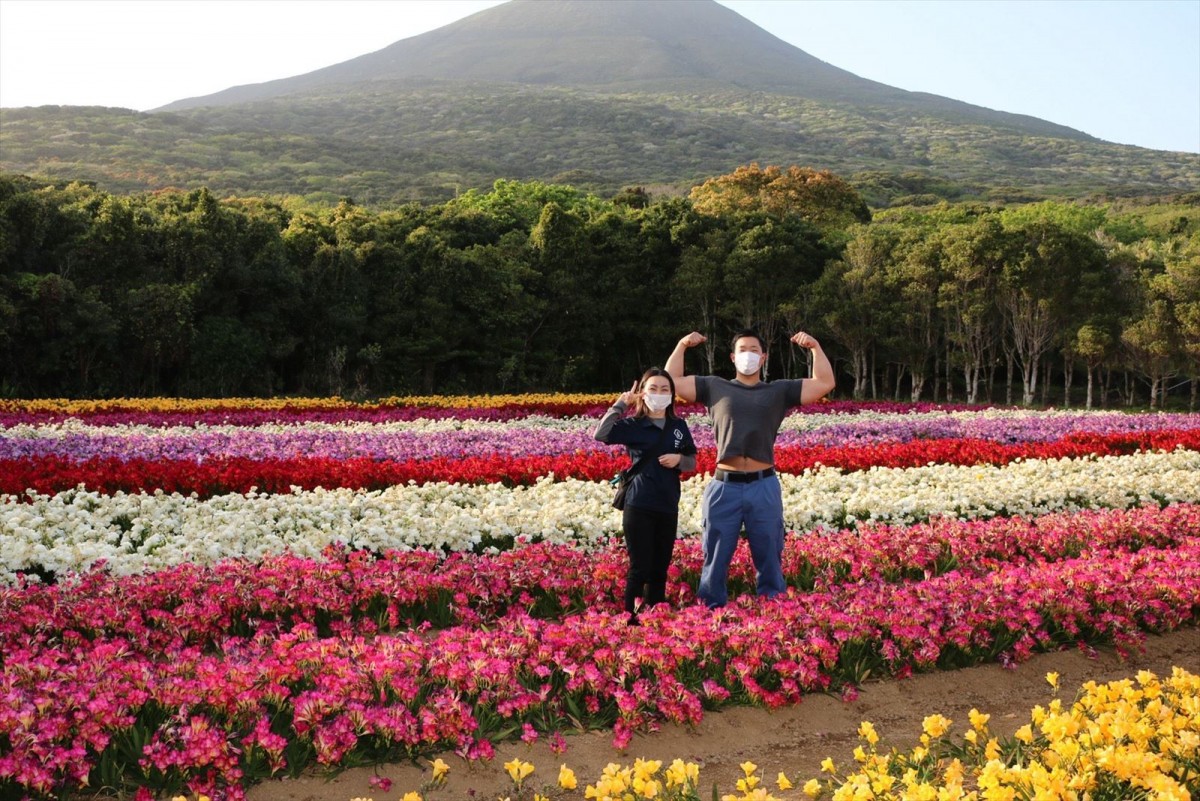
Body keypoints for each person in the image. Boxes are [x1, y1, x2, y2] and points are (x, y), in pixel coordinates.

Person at [665, 328, 835, 608]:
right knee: (716, 554)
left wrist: (815, 347)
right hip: (724, 486)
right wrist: (682, 345)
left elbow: (825, 382)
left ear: (764, 357)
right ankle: (710, 612)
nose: (748, 355)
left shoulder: (779, 390)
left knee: (769, 552)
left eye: (754, 350)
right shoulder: (714, 386)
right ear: (733, 357)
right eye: (742, 350)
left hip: (763, 485)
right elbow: (672, 382)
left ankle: (772, 611)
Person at [594, 367, 697, 625]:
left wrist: (679, 460)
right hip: (639, 503)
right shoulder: (634, 425)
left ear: (672, 395)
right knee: (639, 566)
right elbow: (601, 434)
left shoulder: (678, 426)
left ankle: (655, 616)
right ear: (643, 393)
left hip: (667, 503)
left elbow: (692, 461)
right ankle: (630, 619)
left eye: (665, 389)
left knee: (660, 567)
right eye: (653, 389)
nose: (659, 394)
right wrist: (621, 403)